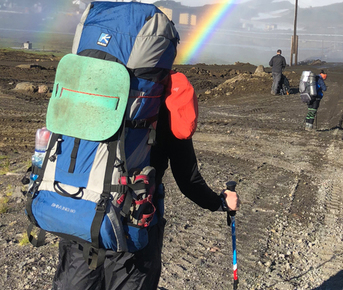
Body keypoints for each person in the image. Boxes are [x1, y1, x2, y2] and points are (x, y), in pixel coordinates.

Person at [51, 97, 239, 289]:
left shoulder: (93, 89)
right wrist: (220, 203)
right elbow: (188, 180)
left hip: (79, 217)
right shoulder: (166, 97)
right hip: (135, 228)